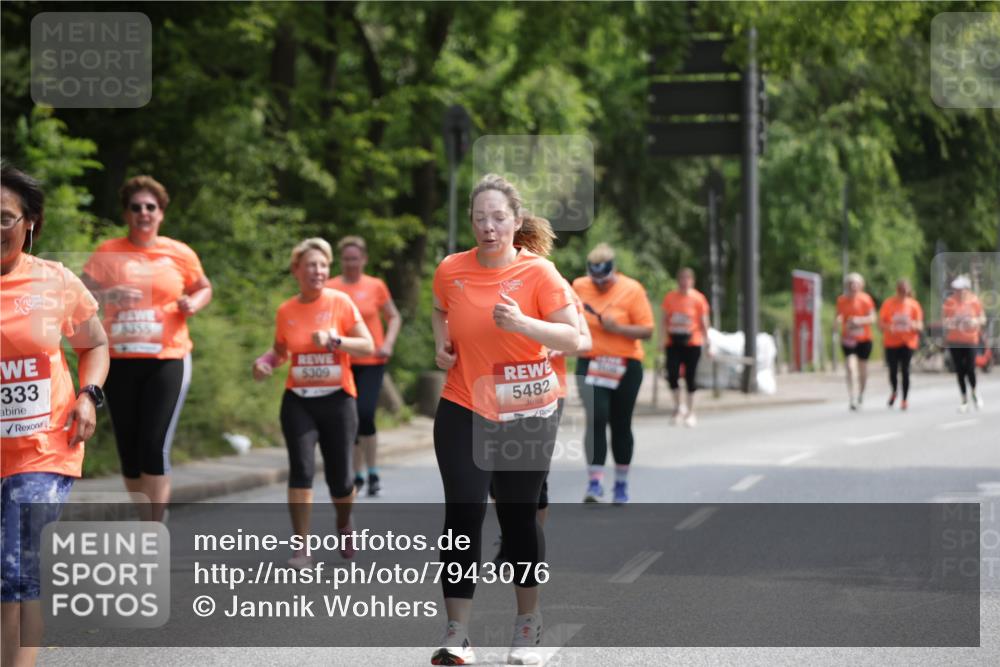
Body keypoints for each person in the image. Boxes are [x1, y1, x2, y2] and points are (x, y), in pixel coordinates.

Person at [430, 174, 579, 666]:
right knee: (463, 512)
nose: (488, 227)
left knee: (517, 516)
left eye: (498, 218)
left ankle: (527, 626)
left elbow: (574, 339)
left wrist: (522, 324)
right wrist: (440, 341)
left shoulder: (541, 274)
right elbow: (438, 309)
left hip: (528, 408)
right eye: (479, 218)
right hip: (463, 403)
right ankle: (457, 635)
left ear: (516, 222)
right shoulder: (451, 269)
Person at [1, 165, 110, 667]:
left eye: (4, 217)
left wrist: (88, 395)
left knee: (13, 573)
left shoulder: (54, 281)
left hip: (44, 448)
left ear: (30, 224)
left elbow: (95, 344)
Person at [81, 176, 212, 522]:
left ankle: (154, 528)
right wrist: (109, 297)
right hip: (120, 361)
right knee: (129, 450)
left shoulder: (179, 252)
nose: (143, 213)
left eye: (150, 207)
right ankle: (147, 517)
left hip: (166, 359)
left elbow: (204, 287)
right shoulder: (107, 252)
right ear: (126, 213)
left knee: (154, 445)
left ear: (161, 214)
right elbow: (81, 296)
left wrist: (193, 304)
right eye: (136, 207)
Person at [253, 238, 374, 567]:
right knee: (301, 470)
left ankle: (343, 522)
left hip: (338, 400)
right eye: (310, 265)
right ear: (297, 270)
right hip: (299, 400)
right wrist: (265, 363)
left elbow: (368, 346)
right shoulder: (286, 310)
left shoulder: (341, 302)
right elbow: (279, 351)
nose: (318, 271)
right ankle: (302, 548)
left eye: (322, 265)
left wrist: (336, 341)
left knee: (342, 481)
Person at [492, 279, 592, 565]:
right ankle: (510, 536)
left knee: (533, 475)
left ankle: (528, 544)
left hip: (543, 389)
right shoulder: (486, 280)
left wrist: (561, 346)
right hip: (494, 387)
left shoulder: (551, 283)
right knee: (495, 475)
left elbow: (586, 340)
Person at [573, 243, 654, 505]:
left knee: (621, 423)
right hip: (591, 362)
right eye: (595, 280)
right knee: (597, 418)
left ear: (614, 271)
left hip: (625, 365)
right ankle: (595, 483)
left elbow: (647, 330)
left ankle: (620, 484)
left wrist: (617, 327)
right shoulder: (579, 287)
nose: (599, 286)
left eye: (605, 281)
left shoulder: (632, 290)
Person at [327, 236, 402, 497]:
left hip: (371, 360)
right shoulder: (331, 287)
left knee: (365, 413)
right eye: (346, 259)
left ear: (364, 259)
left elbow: (393, 317)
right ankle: (359, 474)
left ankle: (372, 469)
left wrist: (389, 343)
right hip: (343, 361)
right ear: (341, 260)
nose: (351, 263)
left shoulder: (375, 286)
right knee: (350, 418)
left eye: (355, 258)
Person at [660, 267, 711, 427]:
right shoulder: (670, 298)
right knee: (672, 374)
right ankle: (678, 407)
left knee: (691, 376)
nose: (684, 282)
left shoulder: (698, 299)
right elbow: (664, 320)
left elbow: (704, 322)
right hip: (673, 342)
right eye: (681, 279)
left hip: (692, 342)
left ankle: (691, 412)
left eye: (687, 279)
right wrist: (661, 341)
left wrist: (707, 342)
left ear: (692, 281)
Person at [943, 275, 986, 412]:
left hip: (970, 340)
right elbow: (945, 321)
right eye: (956, 289)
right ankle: (964, 399)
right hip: (955, 341)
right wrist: (951, 323)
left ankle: (974, 392)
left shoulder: (974, 301)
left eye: (961, 289)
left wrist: (975, 321)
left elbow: (982, 318)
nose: (959, 292)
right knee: (960, 370)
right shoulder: (949, 302)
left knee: (970, 368)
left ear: (966, 289)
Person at [878, 278, 923, 411]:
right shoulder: (889, 303)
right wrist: (888, 327)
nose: (902, 292)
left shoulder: (914, 305)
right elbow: (880, 324)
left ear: (908, 290)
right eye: (900, 289)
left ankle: (904, 399)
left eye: (905, 290)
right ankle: (894, 391)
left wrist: (914, 325)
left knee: (905, 370)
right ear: (897, 290)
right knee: (892, 370)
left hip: (908, 342)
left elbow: (920, 325)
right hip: (891, 342)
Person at [835, 272, 876, 411]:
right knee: (850, 367)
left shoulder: (866, 299)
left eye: (856, 284)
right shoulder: (841, 300)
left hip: (864, 339)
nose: (853, 286)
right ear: (847, 285)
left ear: (861, 286)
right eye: (850, 283)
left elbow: (872, 318)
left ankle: (861, 394)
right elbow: (838, 316)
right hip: (848, 339)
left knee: (862, 370)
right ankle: (851, 396)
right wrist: (838, 322)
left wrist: (859, 320)